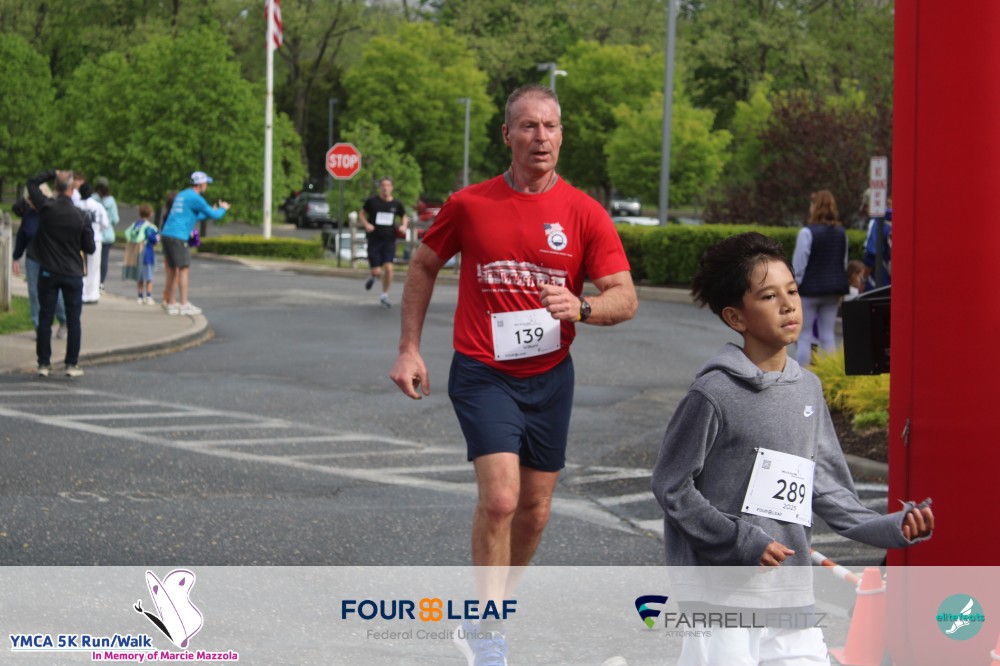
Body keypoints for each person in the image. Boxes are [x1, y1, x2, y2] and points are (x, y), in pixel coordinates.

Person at [390, 84, 637, 665]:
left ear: (561, 135)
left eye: (550, 126)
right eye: (528, 126)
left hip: (550, 376)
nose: (540, 137)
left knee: (535, 509)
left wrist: (581, 307)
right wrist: (409, 349)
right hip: (483, 370)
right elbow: (423, 264)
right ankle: (488, 632)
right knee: (502, 499)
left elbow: (624, 297)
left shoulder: (584, 212)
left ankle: (490, 613)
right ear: (507, 135)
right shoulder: (470, 204)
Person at [651, 232, 934, 666]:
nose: (788, 305)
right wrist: (741, 541)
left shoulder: (808, 389)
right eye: (768, 296)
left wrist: (893, 528)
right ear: (736, 317)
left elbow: (829, 490)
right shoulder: (713, 393)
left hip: (790, 593)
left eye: (792, 291)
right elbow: (671, 485)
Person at [26, 169, 96, 377]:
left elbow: (31, 183)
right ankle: (71, 363)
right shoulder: (81, 215)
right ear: (72, 188)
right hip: (72, 271)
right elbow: (90, 247)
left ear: (56, 188)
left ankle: (43, 363)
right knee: (74, 320)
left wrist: (51, 173)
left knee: (45, 317)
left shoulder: (46, 208)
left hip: (49, 269)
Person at [791, 190, 848, 367]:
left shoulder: (806, 233)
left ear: (814, 207)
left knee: (804, 335)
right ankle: (830, 373)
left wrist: (793, 287)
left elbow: (799, 265)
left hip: (809, 290)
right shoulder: (841, 233)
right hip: (833, 290)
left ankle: (803, 375)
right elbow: (843, 263)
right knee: (828, 335)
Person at [160, 171, 229, 315]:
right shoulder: (195, 198)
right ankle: (184, 304)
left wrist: (210, 212)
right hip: (179, 236)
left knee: (172, 270)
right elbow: (215, 215)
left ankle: (171, 303)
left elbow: (195, 215)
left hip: (167, 234)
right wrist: (223, 208)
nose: (207, 186)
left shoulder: (182, 195)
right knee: (183, 269)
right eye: (206, 183)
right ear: (201, 184)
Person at [12, 186, 68, 338]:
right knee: (34, 293)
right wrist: (16, 257)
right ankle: (39, 327)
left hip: (52, 259)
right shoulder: (28, 215)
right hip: (33, 259)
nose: (30, 203)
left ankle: (64, 319)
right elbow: (22, 236)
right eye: (28, 200)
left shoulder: (53, 212)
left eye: (32, 200)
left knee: (55, 293)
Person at [360, 177, 408, 308]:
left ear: (392, 188)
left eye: (388, 185)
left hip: (389, 240)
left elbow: (404, 216)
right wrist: (366, 224)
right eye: (383, 185)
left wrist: (404, 226)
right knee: (377, 271)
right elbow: (362, 213)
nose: (385, 188)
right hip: (374, 240)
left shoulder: (396, 204)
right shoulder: (372, 202)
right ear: (380, 187)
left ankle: (384, 295)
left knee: (389, 268)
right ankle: (373, 276)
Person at [73, 177, 111, 304]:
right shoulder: (97, 206)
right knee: (94, 268)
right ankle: (92, 295)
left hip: (79, 239)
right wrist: (97, 229)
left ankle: (81, 293)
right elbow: (105, 223)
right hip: (96, 238)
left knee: (81, 266)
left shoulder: (76, 205)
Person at [123, 204, 159, 304]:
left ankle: (139, 296)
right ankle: (149, 296)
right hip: (148, 254)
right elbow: (155, 239)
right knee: (149, 276)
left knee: (140, 276)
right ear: (150, 214)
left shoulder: (135, 225)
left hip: (137, 253)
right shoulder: (150, 227)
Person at [94, 177, 120, 291]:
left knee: (94, 259)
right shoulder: (111, 201)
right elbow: (115, 219)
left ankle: (93, 281)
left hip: (95, 234)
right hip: (107, 234)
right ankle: (101, 282)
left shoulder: (93, 199)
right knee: (104, 259)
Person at [863, 206, 891, 291]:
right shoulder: (894, 219)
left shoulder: (876, 222)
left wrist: (863, 279)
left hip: (878, 280)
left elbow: (871, 254)